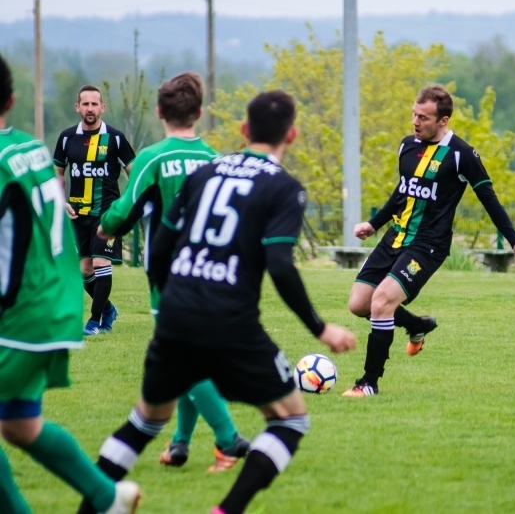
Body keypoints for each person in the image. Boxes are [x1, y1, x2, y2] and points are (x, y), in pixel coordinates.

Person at [79, 90, 356, 514]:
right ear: (293, 135)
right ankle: (226, 509)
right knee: (291, 419)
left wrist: (168, 295)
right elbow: (281, 266)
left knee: (144, 421)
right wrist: (321, 328)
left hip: (175, 313)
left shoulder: (207, 172)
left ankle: (91, 507)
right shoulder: (283, 188)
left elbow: (165, 242)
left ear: (244, 131)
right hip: (231, 320)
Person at [0, 55, 140, 514]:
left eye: (94, 102)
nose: (90, 107)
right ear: (12, 99)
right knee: (20, 424)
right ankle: (107, 498)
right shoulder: (34, 148)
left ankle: (102, 315)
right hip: (46, 303)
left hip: (19, 309)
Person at [97, 72, 250, 472]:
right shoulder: (217, 159)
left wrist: (105, 226)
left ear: (160, 111)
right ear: (199, 113)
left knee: (185, 359)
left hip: (170, 278)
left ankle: (228, 439)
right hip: (214, 273)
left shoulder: (153, 157)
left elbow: (123, 211)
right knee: (191, 355)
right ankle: (180, 443)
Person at [342, 84, 515, 397]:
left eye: (424, 117)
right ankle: (416, 325)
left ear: (443, 120)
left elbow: (489, 199)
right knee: (358, 304)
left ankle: (368, 383)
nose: (416, 122)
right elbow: (403, 192)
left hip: (428, 245)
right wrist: (374, 224)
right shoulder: (407, 146)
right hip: (396, 237)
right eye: (414, 115)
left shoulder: (462, 156)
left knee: (381, 302)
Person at [53, 85, 136, 335]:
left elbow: (134, 171)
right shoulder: (67, 138)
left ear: (102, 107)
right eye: (85, 104)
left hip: (107, 212)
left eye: (94, 104)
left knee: (101, 263)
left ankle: (95, 321)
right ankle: (109, 309)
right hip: (78, 213)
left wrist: (127, 204)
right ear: (77, 107)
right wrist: (62, 200)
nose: (90, 108)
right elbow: (58, 171)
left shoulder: (116, 138)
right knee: (84, 270)